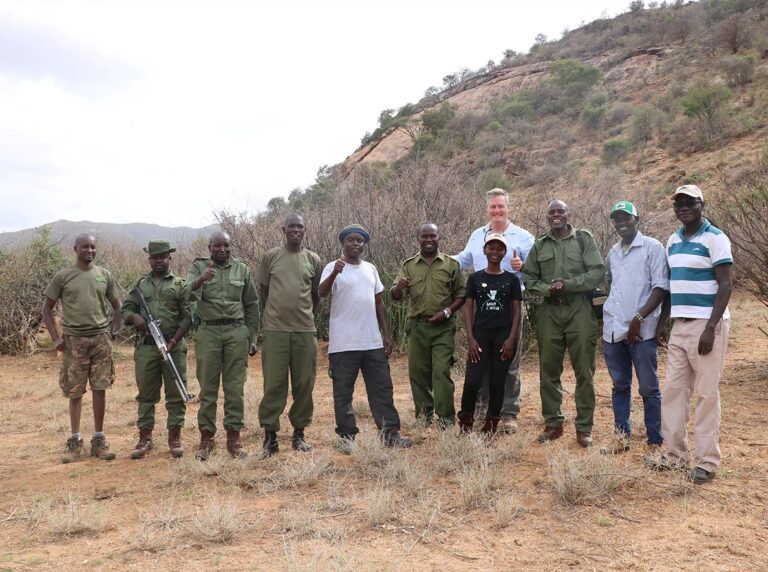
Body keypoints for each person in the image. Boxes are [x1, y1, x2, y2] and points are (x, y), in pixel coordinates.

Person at [646, 185, 733, 484]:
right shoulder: (672, 240)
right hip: (679, 326)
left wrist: (710, 328)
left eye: (689, 202)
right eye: (678, 203)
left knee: (707, 394)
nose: (683, 207)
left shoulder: (715, 238)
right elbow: (672, 285)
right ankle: (674, 456)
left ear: (701, 205)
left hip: (706, 326)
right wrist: (663, 323)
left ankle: (707, 462)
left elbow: (726, 285)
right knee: (673, 391)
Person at [319, 225, 412, 452]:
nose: (355, 244)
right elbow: (320, 293)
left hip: (371, 342)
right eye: (350, 240)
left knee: (382, 389)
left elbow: (379, 302)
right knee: (343, 393)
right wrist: (334, 274)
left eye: (359, 241)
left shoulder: (370, 268)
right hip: (344, 343)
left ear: (364, 245)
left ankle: (390, 433)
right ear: (343, 243)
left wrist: (386, 335)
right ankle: (346, 437)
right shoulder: (332, 267)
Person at [521, 200, 606, 447]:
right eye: (552, 212)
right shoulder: (539, 245)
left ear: (569, 214)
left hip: (579, 309)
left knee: (584, 371)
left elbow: (597, 271)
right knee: (548, 371)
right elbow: (528, 278)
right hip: (549, 312)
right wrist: (549, 289)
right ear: (547, 217)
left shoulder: (583, 239)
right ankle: (553, 424)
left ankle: (584, 428)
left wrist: (568, 285)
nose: (556, 215)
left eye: (560, 211)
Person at [455, 187, 534, 433]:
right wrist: (437, 258)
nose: (497, 210)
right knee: (482, 363)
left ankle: (508, 414)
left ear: (507, 208)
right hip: (483, 313)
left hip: (511, 310)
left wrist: (523, 266)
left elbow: (536, 271)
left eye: (501, 206)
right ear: (487, 209)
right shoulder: (477, 235)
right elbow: (463, 260)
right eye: (493, 207)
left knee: (508, 363)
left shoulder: (523, 237)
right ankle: (483, 411)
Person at [42, 234, 122, 463]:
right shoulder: (63, 276)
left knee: (100, 388)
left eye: (93, 247)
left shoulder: (104, 275)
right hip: (73, 341)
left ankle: (99, 441)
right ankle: (74, 441)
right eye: (85, 246)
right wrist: (56, 339)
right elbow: (46, 309)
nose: (90, 250)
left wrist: (114, 330)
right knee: (75, 392)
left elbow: (118, 306)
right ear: (75, 248)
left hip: (100, 340)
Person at [600, 202, 669, 454]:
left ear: (636, 218)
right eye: (617, 219)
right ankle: (622, 437)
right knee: (619, 384)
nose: (622, 223)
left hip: (642, 332)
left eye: (626, 218)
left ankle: (655, 439)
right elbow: (613, 288)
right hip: (613, 328)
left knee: (649, 387)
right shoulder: (613, 253)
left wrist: (639, 318)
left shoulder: (652, 247)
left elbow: (661, 287)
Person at [187, 231, 259, 459]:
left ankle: (234, 438)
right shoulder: (198, 267)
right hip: (208, 331)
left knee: (235, 388)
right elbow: (185, 294)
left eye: (226, 246)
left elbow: (252, 304)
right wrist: (201, 279)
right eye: (217, 246)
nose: (222, 250)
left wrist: (252, 336)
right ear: (209, 247)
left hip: (236, 332)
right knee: (208, 389)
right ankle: (206, 438)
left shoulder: (242, 269)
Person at [120, 240, 194, 459]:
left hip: (173, 347)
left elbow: (189, 315)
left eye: (162, 256)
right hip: (147, 349)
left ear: (170, 258)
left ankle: (174, 438)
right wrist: (136, 318)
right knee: (145, 396)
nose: (158, 260)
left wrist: (172, 342)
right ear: (149, 259)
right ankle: (145, 439)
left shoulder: (180, 285)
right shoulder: (141, 286)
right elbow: (126, 310)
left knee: (176, 395)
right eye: (154, 257)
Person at [257, 214, 323, 457]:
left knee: (304, 383)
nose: (296, 230)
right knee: (274, 383)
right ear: (283, 230)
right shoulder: (270, 257)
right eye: (291, 226)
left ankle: (299, 434)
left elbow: (316, 295)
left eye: (300, 227)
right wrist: (275, 315)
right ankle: (270, 437)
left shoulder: (313, 259)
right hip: (276, 331)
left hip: (305, 330)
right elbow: (264, 291)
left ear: (305, 230)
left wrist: (304, 315)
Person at [391, 222, 465, 429]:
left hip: (443, 328)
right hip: (417, 327)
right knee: (418, 374)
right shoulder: (409, 265)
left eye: (432, 236)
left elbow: (461, 294)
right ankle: (424, 417)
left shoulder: (450, 264)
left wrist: (447, 312)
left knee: (441, 372)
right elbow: (396, 296)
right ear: (418, 239)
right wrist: (399, 287)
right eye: (424, 236)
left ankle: (446, 420)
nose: (429, 240)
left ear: (439, 237)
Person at [457, 233, 522, 436]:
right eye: (491, 248)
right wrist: (470, 338)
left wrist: (511, 339)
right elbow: (468, 308)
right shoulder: (475, 278)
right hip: (480, 336)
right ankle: (466, 423)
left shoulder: (511, 279)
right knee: (472, 382)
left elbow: (517, 311)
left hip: (503, 336)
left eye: (499, 248)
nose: (495, 252)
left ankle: (491, 426)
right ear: (485, 251)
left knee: (497, 382)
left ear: (504, 252)